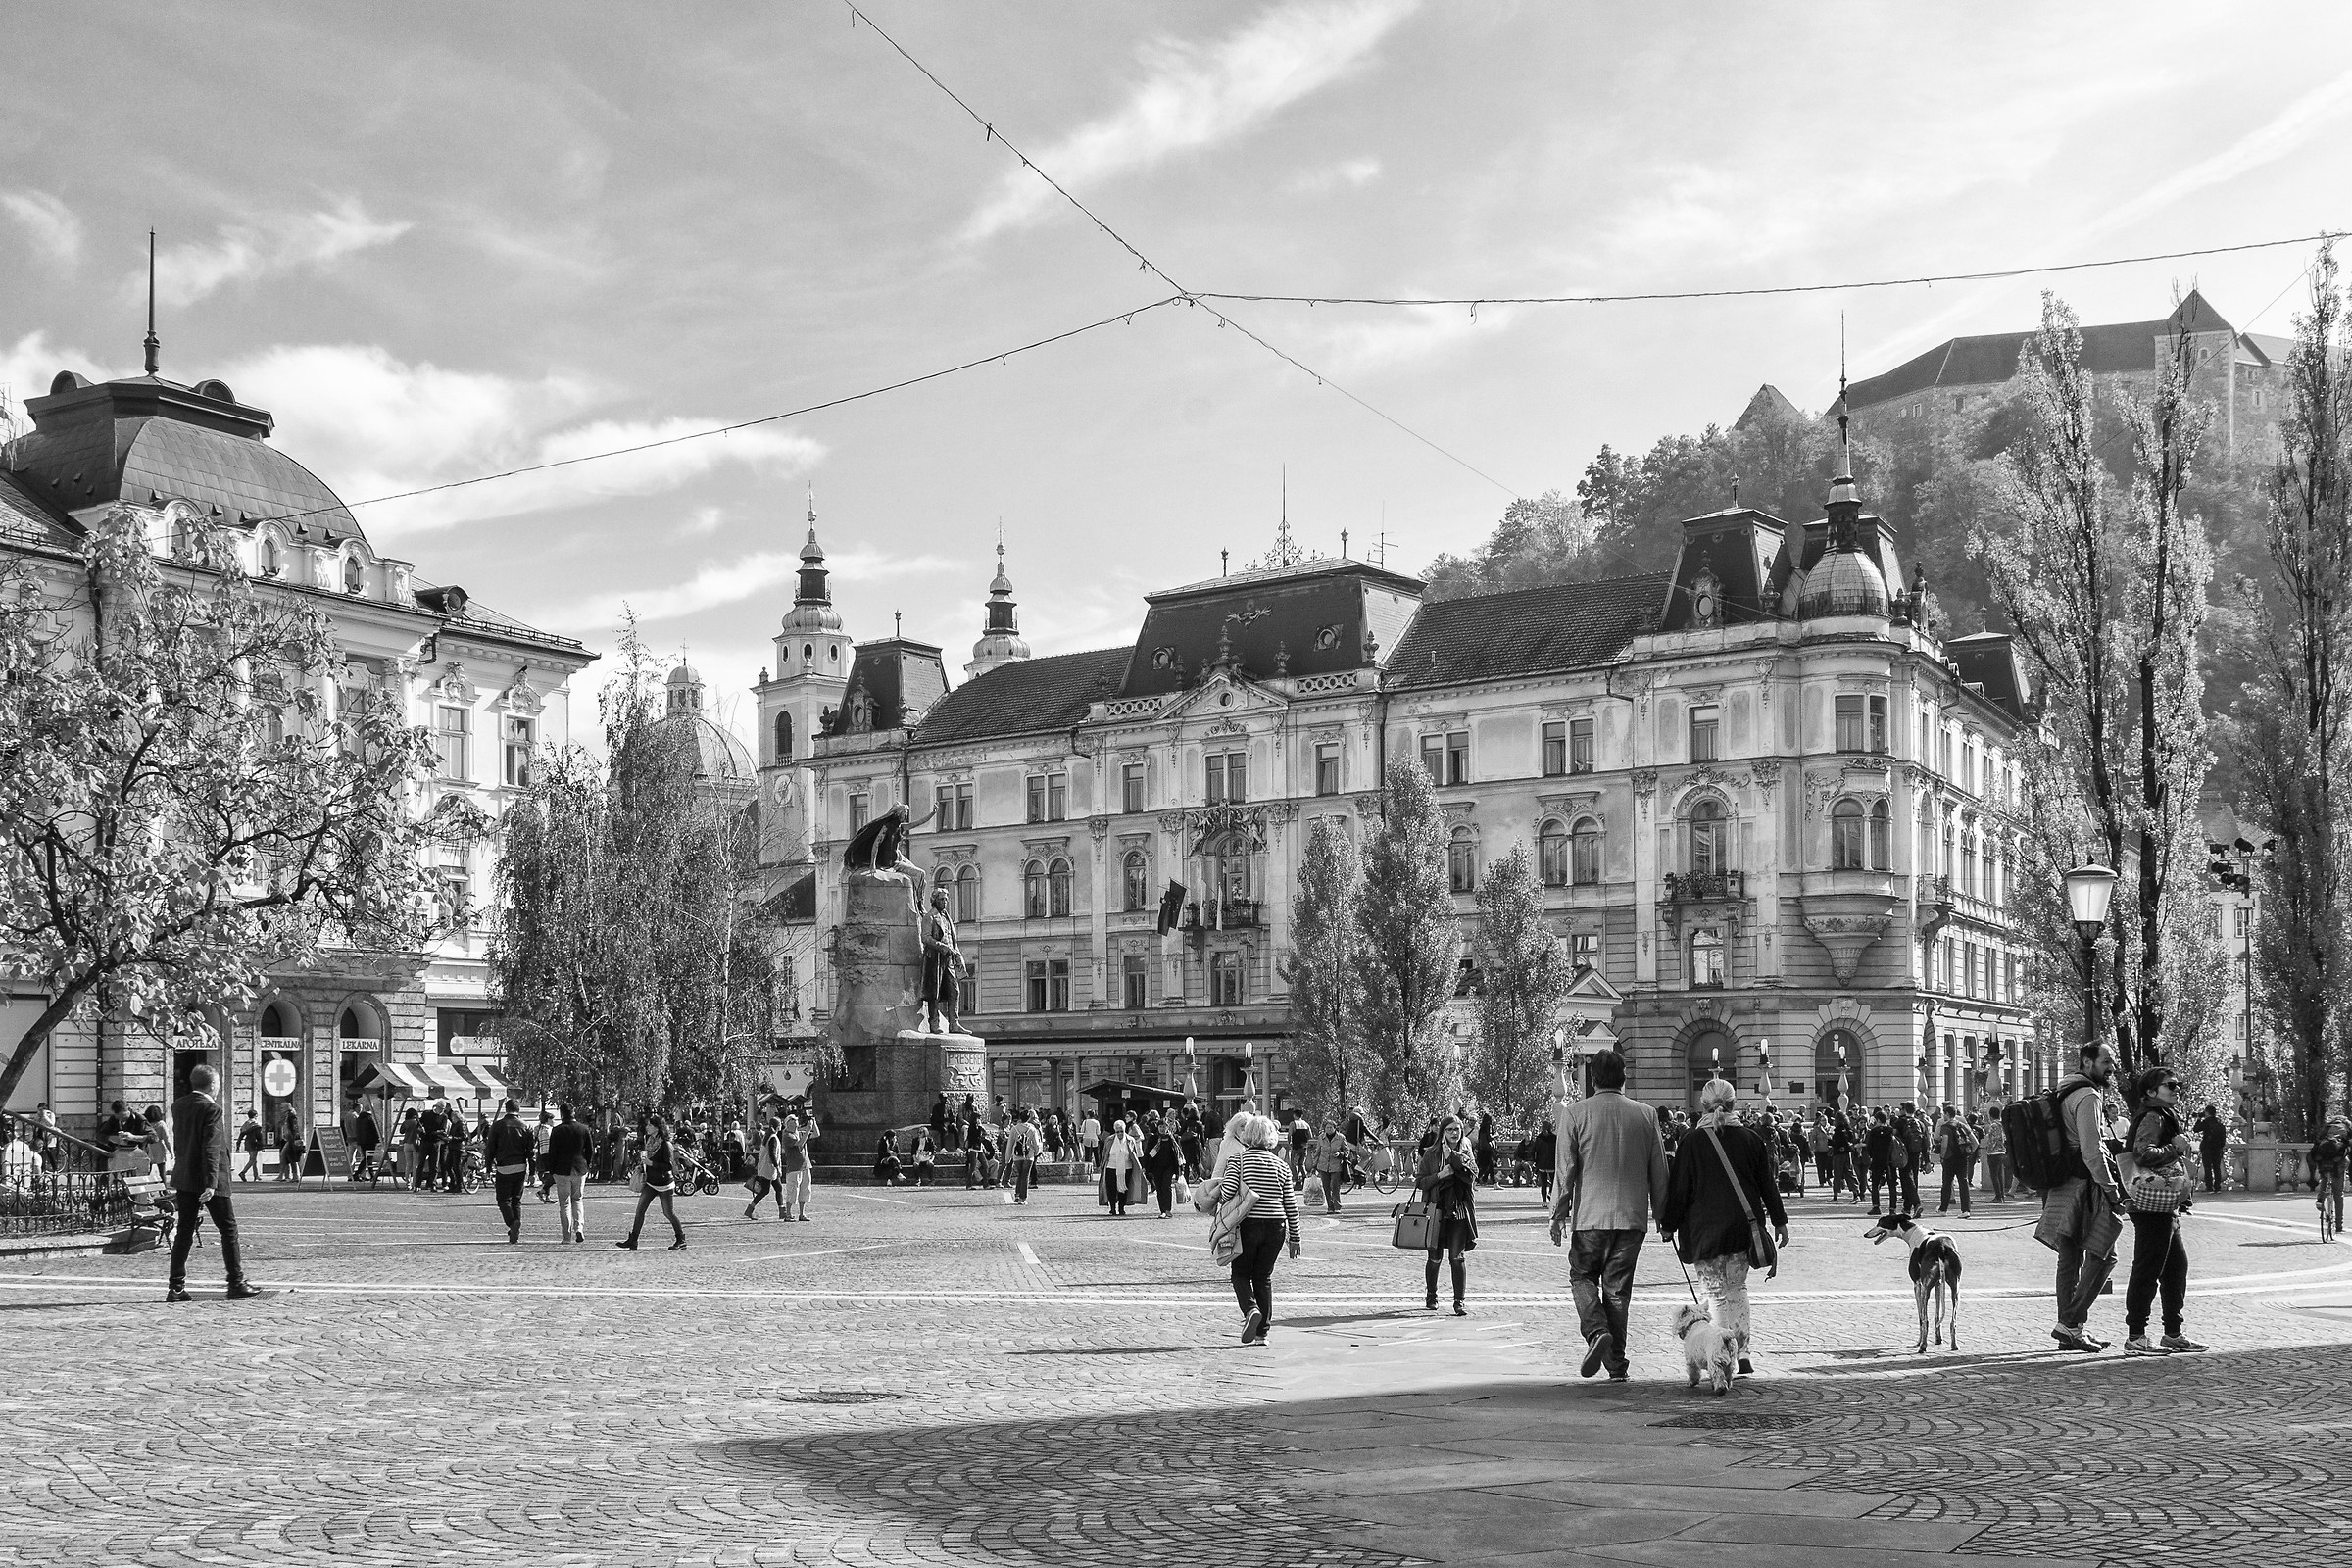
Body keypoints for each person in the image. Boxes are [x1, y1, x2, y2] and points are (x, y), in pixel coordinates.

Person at [1549, 1050, 1670, 1381]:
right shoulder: (1646, 1115)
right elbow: (1659, 1170)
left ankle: (1596, 1330)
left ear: (1594, 1079)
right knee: (1618, 1291)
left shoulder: (1574, 1115)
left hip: (1590, 1216)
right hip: (1632, 1218)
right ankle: (1617, 1364)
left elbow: (1565, 1171)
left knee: (1582, 1277)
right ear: (1624, 1077)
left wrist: (1558, 1214)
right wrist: (1663, 1215)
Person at [1661, 1077, 1789, 1377]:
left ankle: (1722, 1355)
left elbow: (1680, 1191)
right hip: (1741, 1229)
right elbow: (1767, 1186)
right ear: (1733, 1104)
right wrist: (1780, 1221)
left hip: (1704, 1231)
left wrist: (1668, 1225)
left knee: (1716, 1294)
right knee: (1738, 1289)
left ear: (1702, 1106)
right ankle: (1742, 1351)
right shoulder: (1751, 1140)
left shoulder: (1691, 1143)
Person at [2037, 1043, 2127, 1352]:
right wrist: (2111, 1188)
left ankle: (2071, 1331)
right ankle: (2071, 1323)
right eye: (2106, 1061)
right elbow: (2091, 1150)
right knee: (2104, 1255)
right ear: (2088, 1062)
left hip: (2061, 1182)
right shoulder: (2088, 1095)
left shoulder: (2064, 1090)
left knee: (2069, 1258)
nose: (2111, 1066)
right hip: (2085, 1185)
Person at [2121, 1067, 2206, 1355]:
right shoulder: (2153, 1117)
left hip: (2164, 1204)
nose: (2177, 1088)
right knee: (2148, 1268)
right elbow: (2143, 1154)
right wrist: (2174, 1147)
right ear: (2151, 1092)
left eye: (2178, 1083)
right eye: (2170, 1085)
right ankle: (2136, 1336)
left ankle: (2173, 1332)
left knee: (2175, 1268)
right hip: (2150, 1204)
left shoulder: (2163, 1115)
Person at [166, 1064, 259, 1302]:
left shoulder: (179, 1105)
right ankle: (236, 1282)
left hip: (185, 1177)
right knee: (229, 1230)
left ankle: (176, 1287)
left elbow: (183, 1142)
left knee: (184, 1231)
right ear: (213, 1084)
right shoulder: (212, 1109)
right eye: (217, 1083)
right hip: (211, 1179)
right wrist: (210, 1183)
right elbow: (211, 1147)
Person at [1415, 1115, 1480, 1314]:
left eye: (1457, 1130)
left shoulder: (1466, 1152)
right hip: (1436, 1211)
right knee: (1434, 1257)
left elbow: (1472, 1176)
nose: (1454, 1133)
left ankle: (1459, 1301)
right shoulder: (1431, 1154)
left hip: (1459, 1211)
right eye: (1450, 1129)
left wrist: (1452, 1155)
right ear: (1442, 1132)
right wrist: (1439, 1176)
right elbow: (1420, 1182)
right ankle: (1431, 1295)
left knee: (1456, 1257)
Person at [616, 1115, 688, 1251]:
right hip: (650, 1182)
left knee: (668, 1213)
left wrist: (651, 1163)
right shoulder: (650, 1141)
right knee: (640, 1211)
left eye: (650, 1125)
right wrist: (643, 1166)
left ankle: (681, 1239)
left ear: (657, 1127)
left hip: (665, 1183)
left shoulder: (665, 1144)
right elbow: (649, 1159)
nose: (647, 1127)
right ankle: (633, 1240)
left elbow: (668, 1165)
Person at [484, 1101, 535, 1244]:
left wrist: (488, 1167)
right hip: (520, 1166)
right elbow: (531, 1151)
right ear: (518, 1110)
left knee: (503, 1200)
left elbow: (490, 1149)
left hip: (503, 1166)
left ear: (506, 1109)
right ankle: (515, 1227)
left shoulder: (498, 1125)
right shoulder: (526, 1126)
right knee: (516, 1200)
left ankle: (512, 1223)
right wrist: (532, 1171)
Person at [545, 1103, 593, 1244]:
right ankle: (579, 1228)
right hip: (579, 1168)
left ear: (561, 1114)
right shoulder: (583, 1129)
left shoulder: (557, 1130)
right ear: (574, 1112)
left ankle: (567, 1236)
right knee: (577, 1199)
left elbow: (552, 1153)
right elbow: (589, 1151)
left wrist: (551, 1172)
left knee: (564, 1204)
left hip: (561, 1171)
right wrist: (586, 1165)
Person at [1937, 1109, 1980, 1217]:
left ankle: (1943, 1209)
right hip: (1962, 1157)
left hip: (1950, 1158)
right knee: (1963, 1183)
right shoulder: (1963, 1125)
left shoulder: (1945, 1127)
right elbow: (1975, 1142)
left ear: (1947, 1114)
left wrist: (1942, 1156)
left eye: (1944, 1114)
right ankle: (1965, 1210)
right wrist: (1969, 1153)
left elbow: (1945, 1144)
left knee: (1947, 1183)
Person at [2311, 1118, 2350, 1233]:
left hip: (2324, 1160)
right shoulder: (2347, 1127)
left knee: (2325, 1177)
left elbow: (2317, 1142)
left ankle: (2320, 1199)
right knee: (2339, 1194)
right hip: (2338, 1162)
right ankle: (2339, 1225)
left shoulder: (2327, 1127)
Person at [1138, 1111, 1180, 1217]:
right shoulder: (1154, 1139)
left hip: (1169, 1167)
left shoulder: (1172, 1139)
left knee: (1166, 1186)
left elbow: (1178, 1154)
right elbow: (1148, 1153)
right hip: (1157, 1167)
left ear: (1167, 1127)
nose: (1162, 1128)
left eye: (1164, 1126)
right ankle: (1163, 1211)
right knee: (1160, 1188)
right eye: (1160, 1126)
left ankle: (1168, 1209)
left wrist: (1180, 1169)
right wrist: (1144, 1166)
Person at [744, 1115, 787, 1218]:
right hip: (770, 1168)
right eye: (780, 1125)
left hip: (766, 1167)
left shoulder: (768, 1136)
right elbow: (772, 1155)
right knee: (765, 1190)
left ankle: (782, 1211)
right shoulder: (773, 1138)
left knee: (778, 1188)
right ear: (777, 1126)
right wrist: (777, 1167)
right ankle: (750, 1209)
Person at [1100, 1117, 1145, 1215]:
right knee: (1111, 1188)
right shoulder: (1109, 1140)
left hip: (1126, 1168)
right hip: (1111, 1167)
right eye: (1118, 1131)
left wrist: (1139, 1167)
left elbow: (1134, 1155)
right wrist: (1101, 1166)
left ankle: (1121, 1208)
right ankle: (1112, 1208)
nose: (1120, 1134)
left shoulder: (1130, 1140)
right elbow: (1105, 1154)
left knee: (1123, 1189)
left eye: (1122, 1131)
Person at [777, 1112, 818, 1221]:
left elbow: (817, 1134)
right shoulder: (787, 1135)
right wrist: (808, 1129)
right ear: (787, 1123)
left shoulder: (799, 1133)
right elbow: (799, 1143)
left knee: (805, 1190)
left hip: (805, 1165)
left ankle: (802, 1213)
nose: (795, 1121)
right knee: (792, 1191)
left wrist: (813, 1123)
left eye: (796, 1119)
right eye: (793, 1120)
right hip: (794, 1167)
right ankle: (788, 1214)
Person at [1865, 1107, 1903, 1215]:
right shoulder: (1891, 1131)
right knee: (1892, 1186)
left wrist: (1872, 1156)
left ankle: (1876, 1207)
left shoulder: (1873, 1132)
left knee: (1875, 1184)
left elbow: (1869, 1147)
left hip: (1877, 1161)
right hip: (1890, 1161)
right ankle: (1892, 1209)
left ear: (1877, 1120)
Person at [1315, 1120, 1351, 1213]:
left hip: (1336, 1166)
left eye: (1331, 1127)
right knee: (1326, 1187)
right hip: (1323, 1165)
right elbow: (1318, 1152)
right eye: (1327, 1127)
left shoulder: (1340, 1138)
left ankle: (1337, 1206)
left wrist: (1340, 1154)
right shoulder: (1321, 1138)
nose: (1329, 1129)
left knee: (1335, 1186)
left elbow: (1347, 1150)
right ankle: (1330, 1207)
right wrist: (1314, 1165)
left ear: (1335, 1128)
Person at [2197, 1104, 2230, 1193]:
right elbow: (2223, 1137)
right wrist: (2220, 1146)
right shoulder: (2219, 1123)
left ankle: (2209, 1187)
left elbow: (2196, 1129)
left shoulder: (2206, 1122)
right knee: (2217, 1168)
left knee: (2207, 1168)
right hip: (2217, 1148)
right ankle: (2217, 1187)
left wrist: (2198, 1119)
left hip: (2207, 1147)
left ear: (2207, 1113)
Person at [1982, 1104, 2010, 1203]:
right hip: (2002, 1151)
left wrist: (1989, 1151)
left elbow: (1992, 1140)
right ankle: (2002, 1195)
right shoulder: (2002, 1125)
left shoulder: (1993, 1126)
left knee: (1994, 1175)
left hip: (1994, 1153)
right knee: (2000, 1175)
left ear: (1991, 1115)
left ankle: (1998, 1196)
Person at [532, 1108, 556, 1200]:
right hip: (549, 1153)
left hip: (543, 1153)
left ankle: (547, 1195)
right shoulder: (548, 1129)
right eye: (552, 1119)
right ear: (548, 1120)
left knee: (548, 1174)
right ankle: (543, 1191)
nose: (553, 1121)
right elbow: (552, 1141)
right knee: (554, 1174)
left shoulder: (540, 1128)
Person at [236, 1109, 266, 1183]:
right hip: (254, 1143)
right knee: (252, 1159)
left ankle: (256, 1175)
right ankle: (243, 1172)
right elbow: (259, 1136)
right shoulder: (256, 1124)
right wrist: (261, 1146)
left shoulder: (245, 1124)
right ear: (255, 1115)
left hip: (247, 1142)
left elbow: (241, 1135)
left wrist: (238, 1144)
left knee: (254, 1160)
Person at [1474, 1110, 1497, 1186]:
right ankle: (1475, 1181)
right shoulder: (1488, 1126)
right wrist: (1496, 1135)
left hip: (1482, 1149)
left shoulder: (1481, 1127)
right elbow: (1489, 1137)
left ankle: (1494, 1183)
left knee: (1490, 1166)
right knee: (1486, 1167)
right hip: (1487, 1149)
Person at [1078, 1109, 1102, 1177]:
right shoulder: (1096, 1122)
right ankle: (1098, 1167)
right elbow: (1098, 1132)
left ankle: (1087, 1167)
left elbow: (1082, 1130)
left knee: (1087, 1153)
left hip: (1086, 1138)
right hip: (1094, 1138)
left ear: (1088, 1115)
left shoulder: (1085, 1122)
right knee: (1096, 1153)